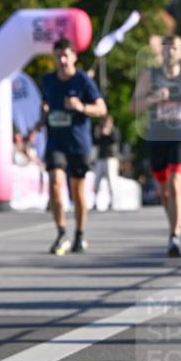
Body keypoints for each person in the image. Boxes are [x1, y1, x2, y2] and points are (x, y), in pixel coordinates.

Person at [131, 35, 181, 256]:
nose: (170, 52)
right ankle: (179, 224)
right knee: (164, 192)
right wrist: (153, 99)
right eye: (166, 48)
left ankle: (174, 236)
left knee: (176, 185)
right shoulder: (150, 75)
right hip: (157, 137)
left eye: (174, 48)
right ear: (161, 53)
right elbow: (133, 106)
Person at [31, 38, 106, 254]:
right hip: (56, 142)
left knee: (78, 191)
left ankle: (80, 234)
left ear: (74, 56)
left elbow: (101, 109)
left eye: (66, 56)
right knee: (55, 182)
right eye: (58, 56)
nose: (62, 60)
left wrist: (81, 106)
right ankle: (61, 232)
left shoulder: (82, 80)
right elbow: (45, 104)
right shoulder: (48, 80)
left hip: (78, 142)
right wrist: (42, 117)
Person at [93, 115, 121, 211]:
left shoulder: (114, 131)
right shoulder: (99, 131)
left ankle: (112, 201)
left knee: (111, 181)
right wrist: (99, 133)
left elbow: (115, 140)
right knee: (97, 181)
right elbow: (95, 142)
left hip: (111, 158)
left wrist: (108, 133)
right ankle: (95, 201)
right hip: (101, 158)